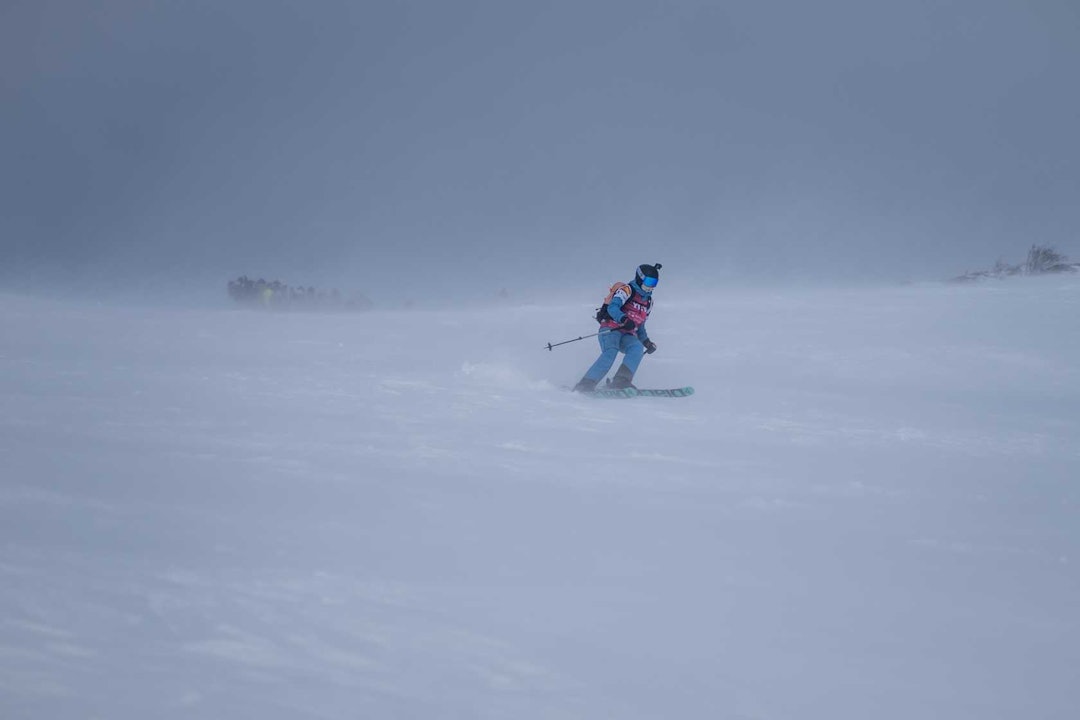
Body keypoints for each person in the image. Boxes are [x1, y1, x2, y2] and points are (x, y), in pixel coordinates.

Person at [573, 263, 661, 392]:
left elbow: (640, 324)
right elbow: (613, 307)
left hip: (627, 333)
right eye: (649, 281)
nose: (651, 286)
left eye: (655, 282)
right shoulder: (627, 290)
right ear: (640, 277)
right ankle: (586, 384)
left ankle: (621, 381)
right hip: (611, 328)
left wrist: (646, 342)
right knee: (610, 352)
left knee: (636, 348)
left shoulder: (649, 302)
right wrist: (623, 318)